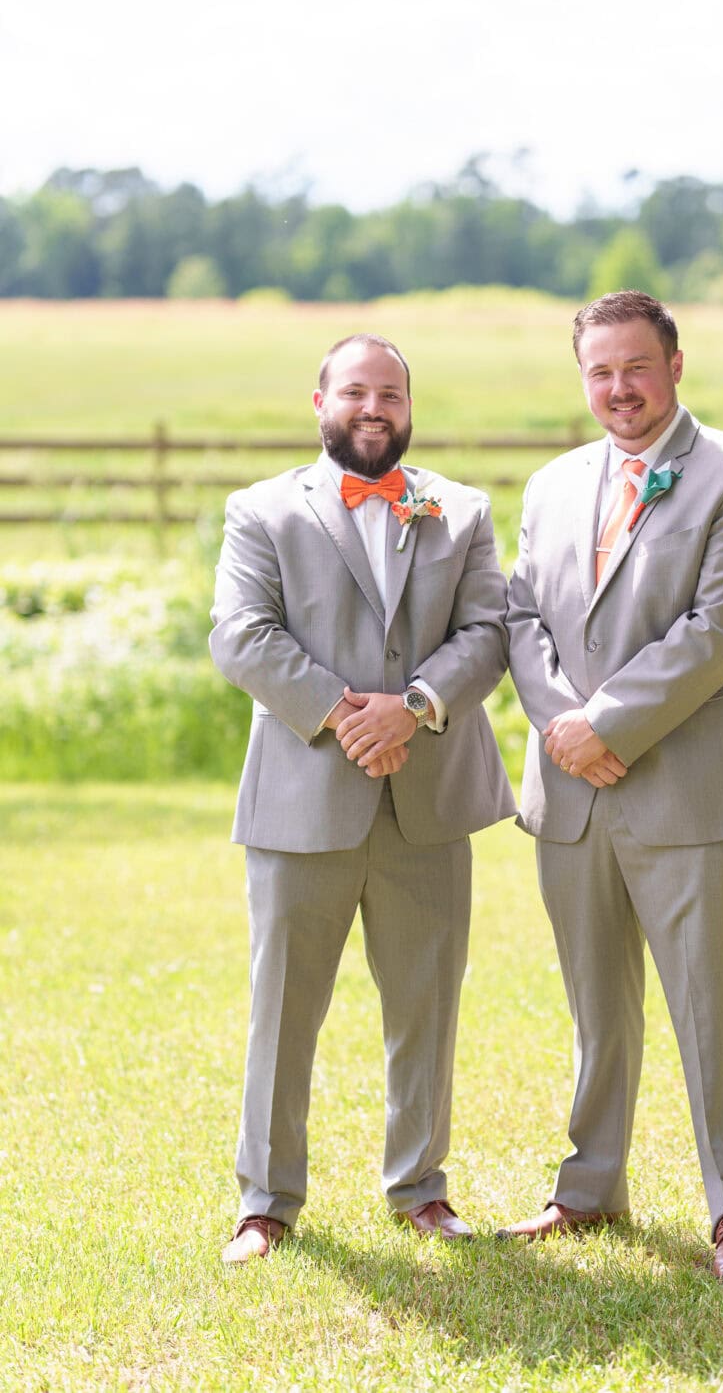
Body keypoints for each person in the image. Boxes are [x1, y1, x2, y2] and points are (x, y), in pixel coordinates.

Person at [501, 291, 723, 1278]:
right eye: (598, 372)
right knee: (596, 1006)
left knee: (708, 1006)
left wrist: (605, 725)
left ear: (674, 364)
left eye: (634, 366)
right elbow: (519, 621)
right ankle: (587, 1188)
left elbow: (718, 629)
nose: (617, 388)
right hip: (570, 794)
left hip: (690, 791)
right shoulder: (548, 485)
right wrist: (557, 727)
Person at [210, 332, 515, 1263]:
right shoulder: (261, 510)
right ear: (320, 404)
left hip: (428, 802)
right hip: (303, 800)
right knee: (283, 1008)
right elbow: (241, 635)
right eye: (355, 391)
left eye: (390, 393)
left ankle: (420, 1188)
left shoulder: (459, 509)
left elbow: (491, 631)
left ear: (410, 408)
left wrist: (415, 707)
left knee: (425, 1004)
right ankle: (266, 1203)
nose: (373, 407)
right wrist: (350, 716)